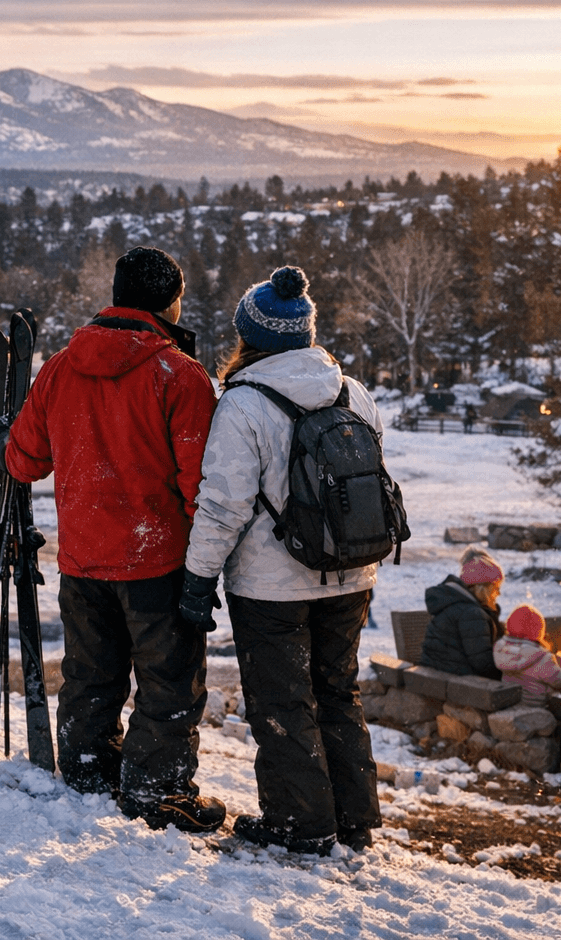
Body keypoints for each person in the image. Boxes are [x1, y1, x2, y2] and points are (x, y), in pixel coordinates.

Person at [0, 245, 222, 835]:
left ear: (116, 296)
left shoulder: (63, 367)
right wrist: (205, 562)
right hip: (157, 563)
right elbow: (201, 485)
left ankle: (88, 775)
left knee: (90, 676)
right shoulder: (181, 377)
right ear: (171, 301)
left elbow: (25, 459)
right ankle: (156, 791)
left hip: (82, 562)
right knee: (167, 684)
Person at [180, 265, 382, 854]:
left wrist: (198, 579)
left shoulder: (243, 404)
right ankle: (354, 819)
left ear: (251, 337)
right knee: (338, 692)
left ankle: (301, 825)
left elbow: (223, 504)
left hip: (272, 587)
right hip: (349, 574)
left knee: (283, 701)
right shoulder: (353, 391)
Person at [420, 547, 505, 679]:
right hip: (457, 682)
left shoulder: (460, 606)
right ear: (483, 588)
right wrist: (509, 674)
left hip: (442, 675)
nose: (498, 594)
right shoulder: (472, 614)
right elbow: (483, 663)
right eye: (496, 588)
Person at [494, 604, 561, 705]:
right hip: (536, 704)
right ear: (538, 632)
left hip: (513, 702)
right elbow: (560, 680)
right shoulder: (541, 658)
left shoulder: (502, 650)